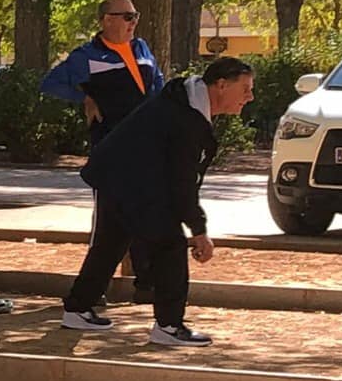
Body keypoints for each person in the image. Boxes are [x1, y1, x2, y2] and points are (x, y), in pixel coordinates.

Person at [58, 56, 255, 346]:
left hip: (123, 177)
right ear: (222, 85)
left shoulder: (187, 105)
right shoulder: (185, 117)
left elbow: (180, 179)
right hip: (128, 180)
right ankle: (169, 326)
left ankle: (77, 308)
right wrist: (199, 231)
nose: (250, 97)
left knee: (112, 242)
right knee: (170, 244)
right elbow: (183, 184)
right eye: (246, 89)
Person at [40, 0, 166, 299]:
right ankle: (92, 290)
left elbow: (158, 85)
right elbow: (51, 83)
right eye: (126, 17)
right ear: (106, 20)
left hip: (146, 144)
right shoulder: (87, 55)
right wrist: (85, 98)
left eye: (135, 16)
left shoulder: (142, 49)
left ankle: (147, 283)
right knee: (109, 218)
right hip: (110, 146)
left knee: (146, 211)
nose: (133, 22)